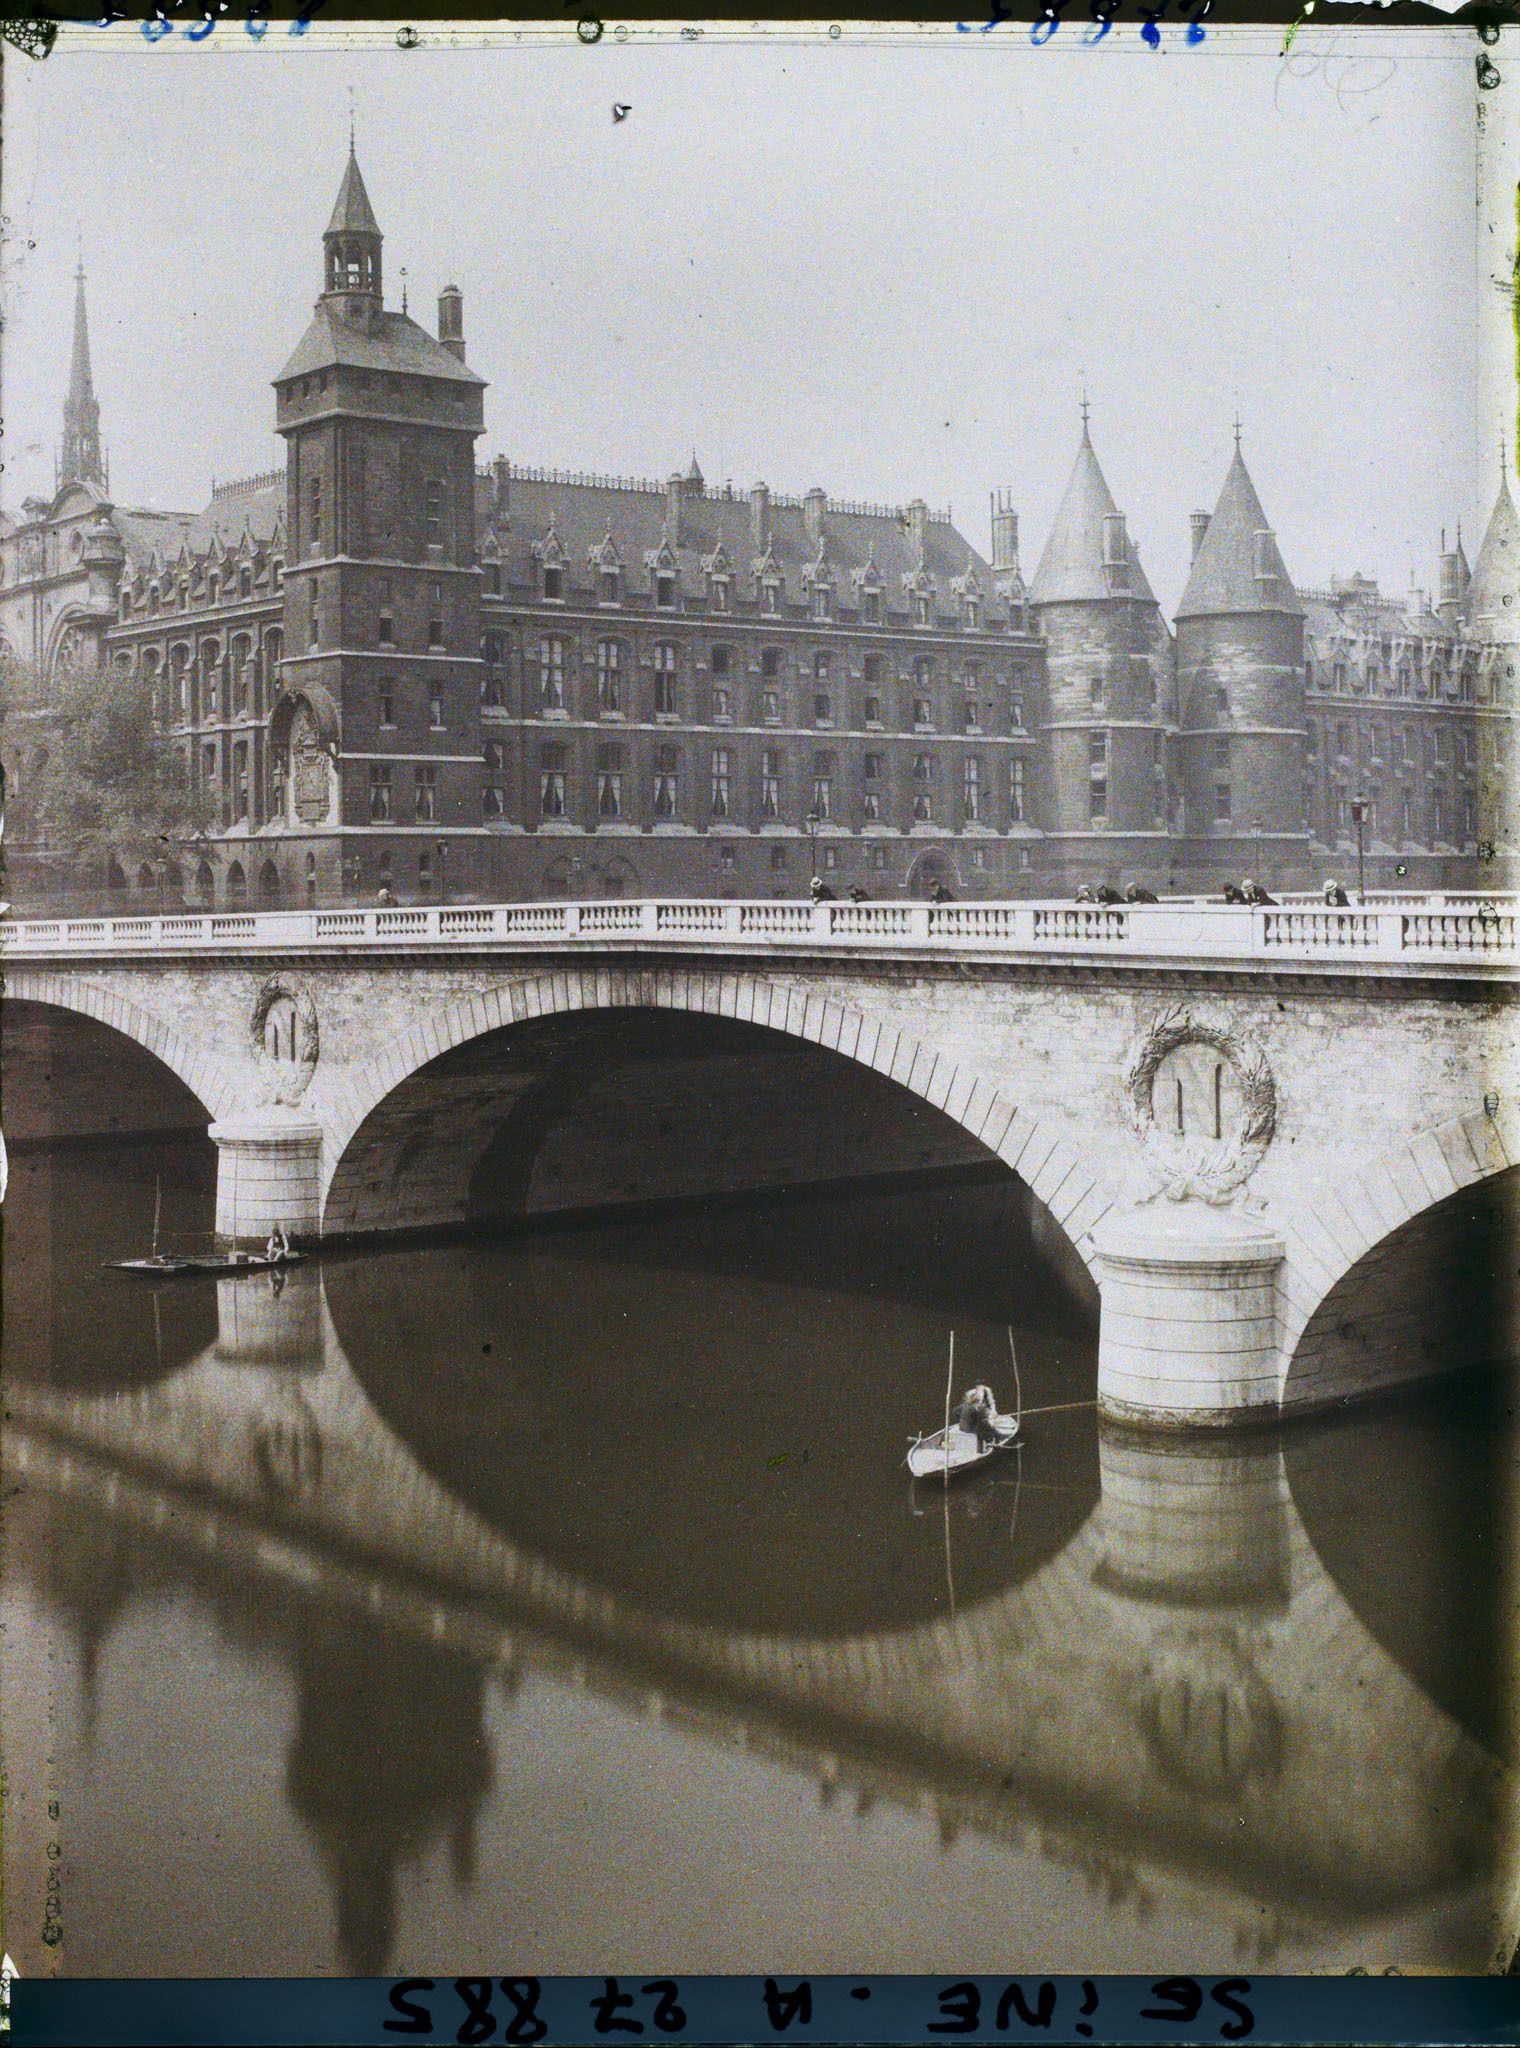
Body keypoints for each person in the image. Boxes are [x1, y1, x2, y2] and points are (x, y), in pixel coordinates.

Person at [955, 1383, 998, 1450]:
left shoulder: (963, 1406)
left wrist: (960, 1419)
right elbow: (980, 1422)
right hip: (970, 1429)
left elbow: (955, 1411)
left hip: (962, 1427)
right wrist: (989, 1426)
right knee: (986, 1431)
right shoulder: (974, 1409)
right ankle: (984, 1446)